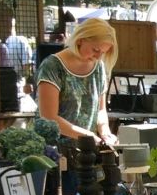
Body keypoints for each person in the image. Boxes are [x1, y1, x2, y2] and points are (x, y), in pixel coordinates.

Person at [36, 17, 118, 146]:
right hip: (51, 151)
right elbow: (48, 116)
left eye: (103, 52)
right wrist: (88, 135)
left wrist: (105, 132)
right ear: (80, 40)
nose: (98, 57)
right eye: (96, 50)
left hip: (86, 150)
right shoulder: (52, 66)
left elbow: (101, 110)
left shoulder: (99, 67)